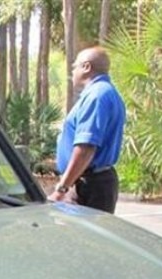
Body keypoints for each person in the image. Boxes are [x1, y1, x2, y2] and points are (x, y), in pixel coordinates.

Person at [49, 46, 126, 213]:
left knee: (80, 237)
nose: (72, 72)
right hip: (91, 181)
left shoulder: (96, 96)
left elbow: (85, 148)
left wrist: (62, 189)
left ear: (86, 67)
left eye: (74, 66)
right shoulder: (104, 93)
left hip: (89, 185)